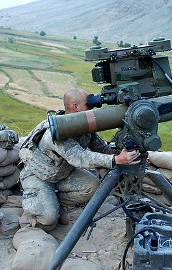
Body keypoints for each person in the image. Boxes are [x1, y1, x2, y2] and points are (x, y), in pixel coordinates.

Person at [19, 88, 140, 228]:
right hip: (38, 176)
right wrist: (114, 160)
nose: (91, 108)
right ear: (75, 107)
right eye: (88, 105)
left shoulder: (82, 126)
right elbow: (78, 156)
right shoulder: (58, 131)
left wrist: (122, 152)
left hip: (62, 174)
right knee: (49, 219)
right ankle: (33, 209)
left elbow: (100, 148)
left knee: (93, 187)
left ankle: (56, 202)